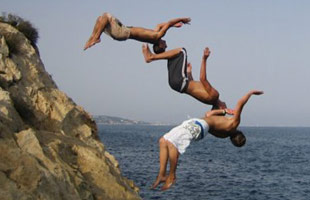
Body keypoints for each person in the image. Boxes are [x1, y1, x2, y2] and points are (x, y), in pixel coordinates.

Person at [151, 90, 264, 191]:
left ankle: (172, 175)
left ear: (238, 132)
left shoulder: (233, 124)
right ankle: (161, 175)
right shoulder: (223, 134)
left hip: (200, 126)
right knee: (163, 140)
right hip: (196, 123)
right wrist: (223, 112)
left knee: (172, 144)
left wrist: (250, 93)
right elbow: (208, 115)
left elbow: (240, 103)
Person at [142, 44, 227, 109]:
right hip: (177, 85)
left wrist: (204, 58)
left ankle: (151, 57)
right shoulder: (209, 101)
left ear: (221, 107)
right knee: (174, 57)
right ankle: (159, 48)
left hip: (181, 82)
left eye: (225, 107)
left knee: (182, 51)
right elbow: (194, 88)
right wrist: (189, 72)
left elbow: (202, 79)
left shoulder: (215, 95)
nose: (226, 105)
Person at [84, 12, 191, 51]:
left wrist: (181, 19)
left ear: (160, 46)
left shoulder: (157, 36)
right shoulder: (154, 36)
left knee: (106, 16)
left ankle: (96, 37)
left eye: (165, 46)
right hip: (123, 31)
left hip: (123, 32)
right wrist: (173, 26)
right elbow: (160, 25)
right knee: (100, 19)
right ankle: (92, 37)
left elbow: (168, 23)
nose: (166, 44)